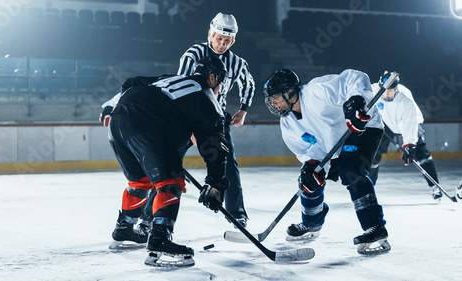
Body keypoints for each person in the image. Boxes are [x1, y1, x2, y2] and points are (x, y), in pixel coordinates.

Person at [108, 56, 230, 267]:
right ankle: (160, 239)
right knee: (171, 181)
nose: (219, 88)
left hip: (118, 120)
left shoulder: (170, 79)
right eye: (220, 83)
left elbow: (130, 82)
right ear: (213, 77)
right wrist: (216, 183)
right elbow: (215, 148)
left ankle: (124, 228)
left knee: (141, 181)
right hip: (148, 126)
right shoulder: (207, 98)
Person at [263, 69, 391, 255]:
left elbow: (355, 77)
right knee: (308, 179)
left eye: (276, 97)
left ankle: (375, 227)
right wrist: (314, 167)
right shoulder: (288, 124)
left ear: (290, 92)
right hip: (332, 144)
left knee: (351, 170)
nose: (274, 103)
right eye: (271, 100)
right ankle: (312, 223)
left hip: (362, 127)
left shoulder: (317, 92)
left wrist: (356, 101)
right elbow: (308, 151)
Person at [177, 12, 255, 227]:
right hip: (187, 118)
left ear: (233, 40)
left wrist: (243, 110)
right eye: (219, 38)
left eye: (227, 40)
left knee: (229, 163)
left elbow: (248, 84)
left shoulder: (238, 63)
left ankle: (237, 213)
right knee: (168, 161)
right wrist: (188, 125)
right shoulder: (192, 54)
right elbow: (181, 87)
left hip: (216, 120)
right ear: (210, 34)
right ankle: (148, 217)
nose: (222, 44)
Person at [369, 72, 442, 200]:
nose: (385, 94)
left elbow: (409, 125)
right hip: (386, 123)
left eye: (389, 91)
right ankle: (369, 189)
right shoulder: (374, 90)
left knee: (422, 155)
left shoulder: (405, 100)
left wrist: (409, 146)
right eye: (384, 90)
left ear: (396, 89)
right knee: (373, 154)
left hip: (410, 122)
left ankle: (434, 187)